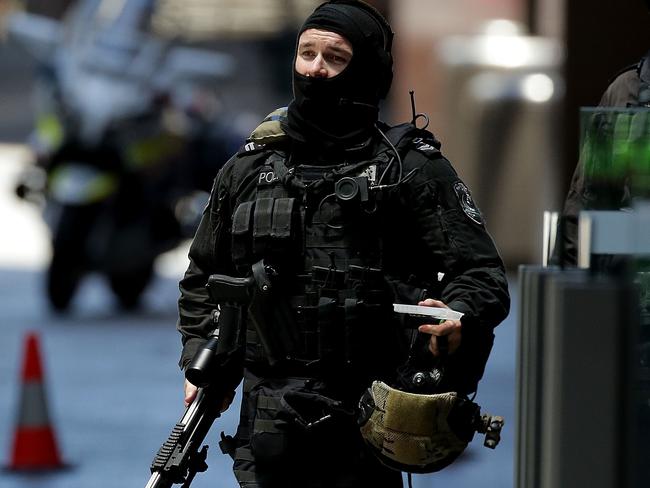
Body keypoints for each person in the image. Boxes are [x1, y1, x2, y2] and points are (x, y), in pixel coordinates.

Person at [176, 1, 510, 486]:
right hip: (268, 421)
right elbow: (205, 277)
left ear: (368, 71)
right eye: (306, 53)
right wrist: (199, 359)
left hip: (371, 416)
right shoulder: (249, 169)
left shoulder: (408, 169)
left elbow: (481, 275)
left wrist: (454, 316)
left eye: (335, 57)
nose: (315, 69)